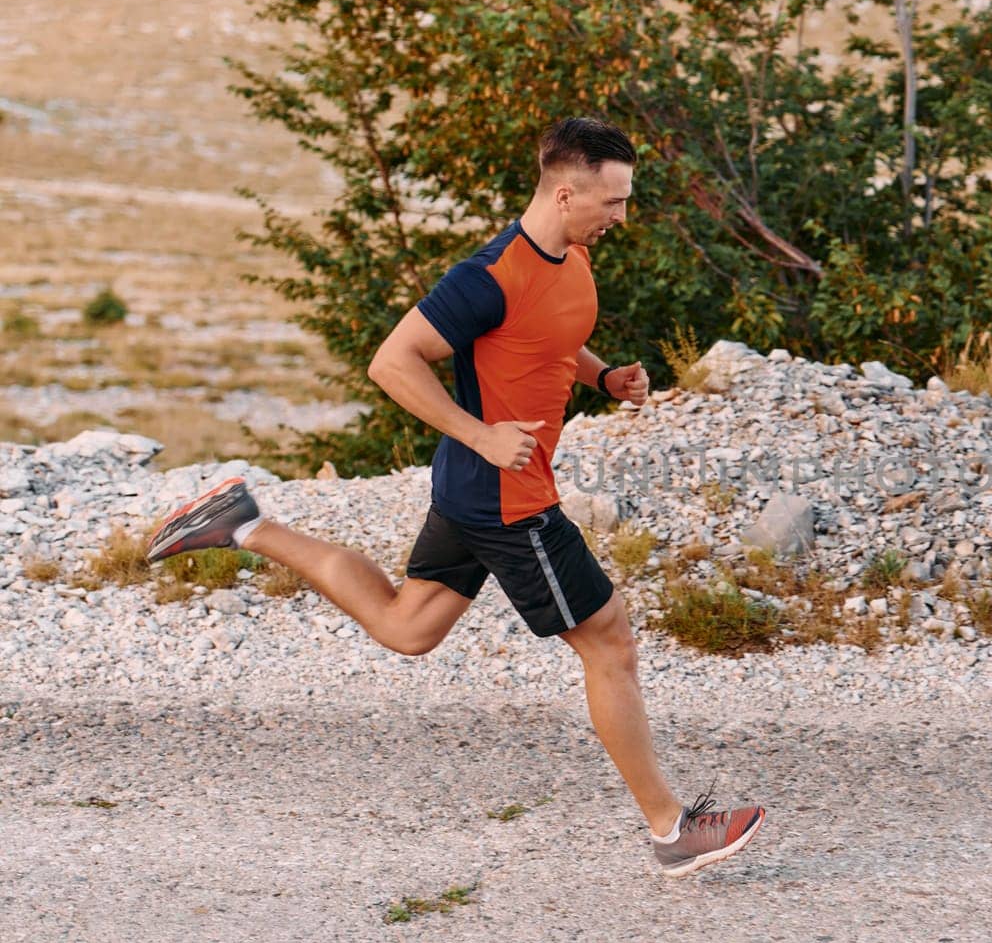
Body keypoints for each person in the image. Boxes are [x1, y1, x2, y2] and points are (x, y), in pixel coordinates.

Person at [145, 117, 765, 879]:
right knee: (609, 640)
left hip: (480, 491)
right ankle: (672, 828)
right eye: (613, 200)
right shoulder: (486, 276)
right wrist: (478, 435)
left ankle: (244, 524)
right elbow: (391, 362)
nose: (621, 216)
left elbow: (548, 340)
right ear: (566, 191)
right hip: (506, 495)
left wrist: (602, 379)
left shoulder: (570, 255)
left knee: (408, 628)